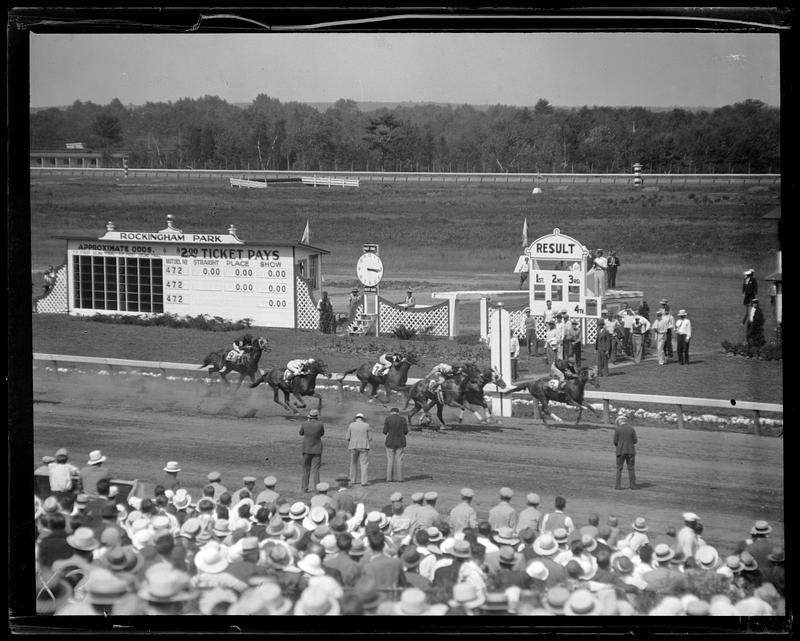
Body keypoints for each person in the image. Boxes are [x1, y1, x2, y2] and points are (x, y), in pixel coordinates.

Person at [300, 409, 325, 494]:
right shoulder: (320, 425)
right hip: (317, 449)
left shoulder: (304, 423)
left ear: (309, 416)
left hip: (306, 449)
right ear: (317, 416)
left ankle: (304, 488)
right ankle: (317, 489)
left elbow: (301, 433)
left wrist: (307, 421)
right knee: (316, 470)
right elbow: (321, 434)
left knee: (305, 469)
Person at [383, 407, 409, 483]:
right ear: (398, 412)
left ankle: (389, 478)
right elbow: (406, 431)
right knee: (399, 460)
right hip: (400, 441)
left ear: (391, 412)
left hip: (390, 441)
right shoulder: (403, 419)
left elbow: (385, 431)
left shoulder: (388, 418)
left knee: (390, 461)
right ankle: (400, 478)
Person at [346, 413, 372, 486]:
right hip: (364, 446)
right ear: (362, 418)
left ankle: (352, 480)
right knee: (364, 464)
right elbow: (370, 438)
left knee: (353, 463)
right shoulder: (367, 425)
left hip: (353, 446)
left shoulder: (351, 425)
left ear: (356, 418)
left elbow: (347, 437)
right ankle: (364, 481)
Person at [613, 415, 638, 490]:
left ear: (619, 422)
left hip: (620, 451)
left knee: (619, 469)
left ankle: (618, 486)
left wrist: (619, 445)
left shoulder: (618, 429)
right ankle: (632, 485)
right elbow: (635, 441)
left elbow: (615, 441)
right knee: (631, 468)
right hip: (631, 451)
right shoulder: (631, 429)